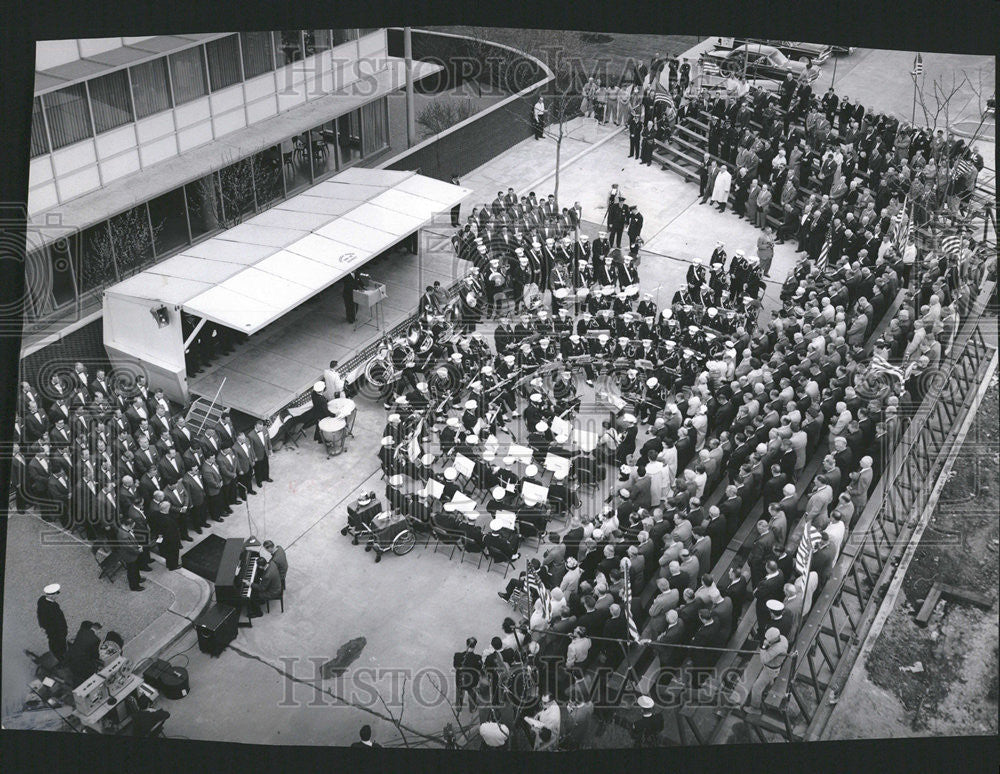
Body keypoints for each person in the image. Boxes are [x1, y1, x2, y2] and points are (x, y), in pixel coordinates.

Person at [747, 627, 789, 712]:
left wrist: (763, 646)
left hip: (769, 670)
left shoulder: (777, 649)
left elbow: (764, 659)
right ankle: (768, 688)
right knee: (769, 681)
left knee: (756, 688)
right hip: (775, 667)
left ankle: (754, 708)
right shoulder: (783, 639)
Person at [66, 620, 102, 686]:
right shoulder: (96, 640)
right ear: (97, 630)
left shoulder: (81, 632)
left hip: (70, 659)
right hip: (82, 663)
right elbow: (95, 655)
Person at [37, 583, 67, 659]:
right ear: (51, 595)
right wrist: (62, 631)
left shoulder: (42, 602)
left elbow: (40, 616)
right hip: (56, 632)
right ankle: (60, 658)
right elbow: (57, 621)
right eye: (56, 594)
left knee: (54, 644)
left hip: (52, 631)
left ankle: (57, 656)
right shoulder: (52, 607)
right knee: (58, 646)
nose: (57, 595)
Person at [453, 636, 483, 714]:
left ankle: (458, 707)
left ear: (466, 644)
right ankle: (472, 709)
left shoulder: (457, 656)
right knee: (472, 695)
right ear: (475, 646)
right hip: (472, 683)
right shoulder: (478, 658)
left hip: (460, 682)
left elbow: (455, 666)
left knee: (459, 693)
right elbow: (480, 669)